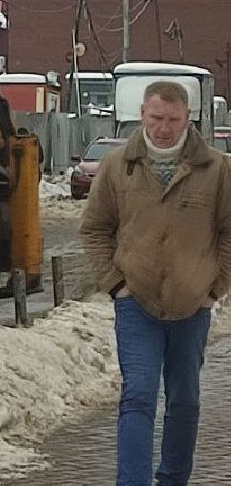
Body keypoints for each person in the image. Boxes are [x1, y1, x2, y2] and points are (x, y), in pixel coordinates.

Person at [81, 80, 231, 486]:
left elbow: (228, 232)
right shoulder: (117, 166)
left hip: (192, 304)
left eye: (174, 119)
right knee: (139, 395)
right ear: (142, 114)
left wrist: (214, 288)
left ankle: (173, 479)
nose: (164, 128)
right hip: (136, 303)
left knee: (184, 401)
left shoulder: (217, 169)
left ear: (189, 118)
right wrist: (116, 284)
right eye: (156, 117)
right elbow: (95, 228)